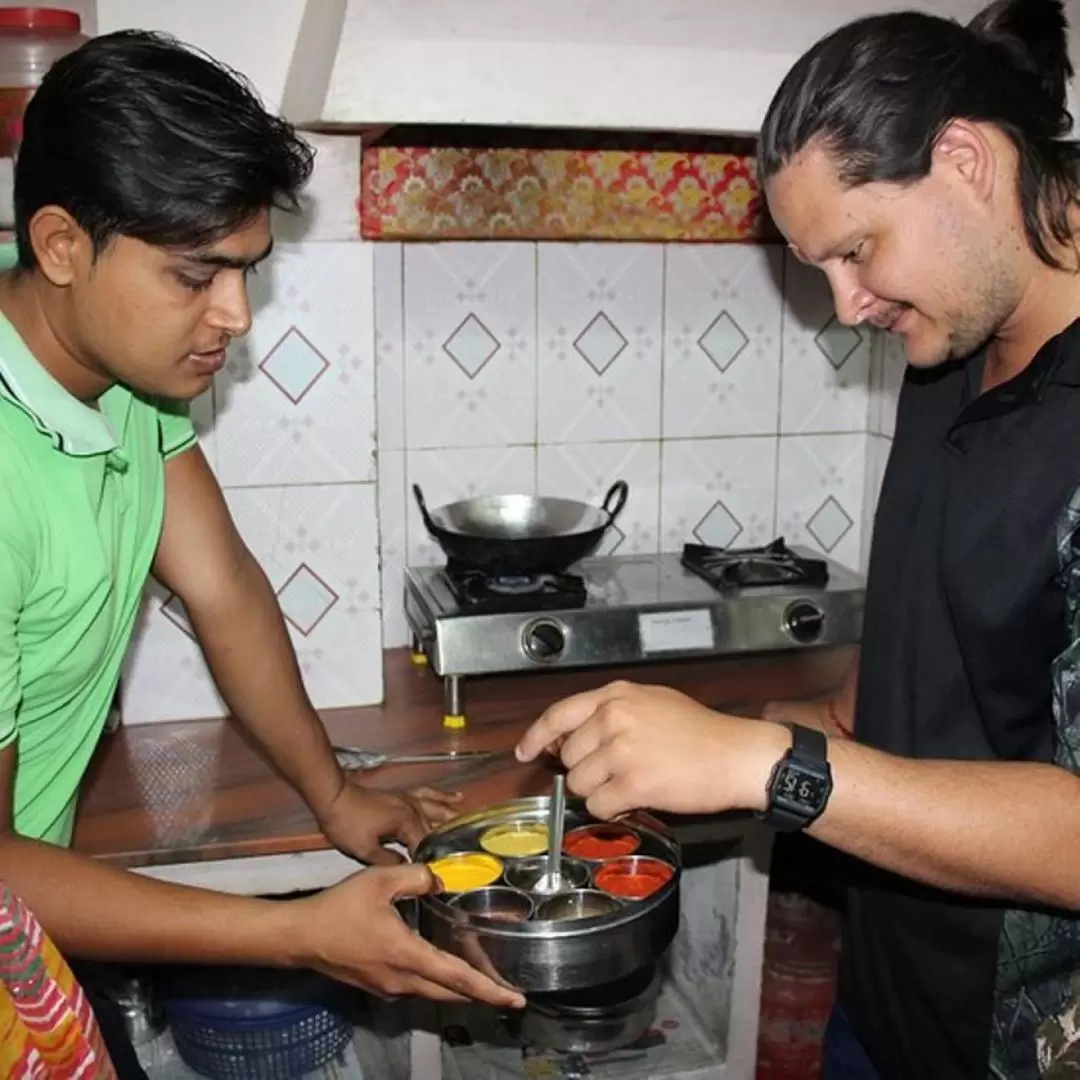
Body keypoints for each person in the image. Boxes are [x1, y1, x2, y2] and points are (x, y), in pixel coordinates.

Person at [516, 0, 1080, 1077]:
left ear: (965, 160)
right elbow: (930, 662)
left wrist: (764, 763)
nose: (849, 304)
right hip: (884, 1002)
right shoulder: (954, 345)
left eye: (857, 249)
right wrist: (717, 739)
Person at [0, 26, 525, 1077]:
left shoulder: (120, 389)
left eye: (246, 271)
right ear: (61, 246)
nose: (233, 316)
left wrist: (334, 794)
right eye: (196, 274)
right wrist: (298, 934)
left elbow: (226, 588)